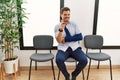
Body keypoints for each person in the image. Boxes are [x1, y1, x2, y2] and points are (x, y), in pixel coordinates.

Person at [54, 7, 88, 80]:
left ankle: (74, 74)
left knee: (84, 60)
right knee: (58, 60)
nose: (67, 16)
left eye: (68, 14)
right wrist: (61, 29)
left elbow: (80, 37)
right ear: (61, 15)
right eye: (65, 14)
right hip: (63, 48)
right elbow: (59, 40)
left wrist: (66, 39)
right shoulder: (57, 26)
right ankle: (66, 75)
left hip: (75, 47)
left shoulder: (74, 24)